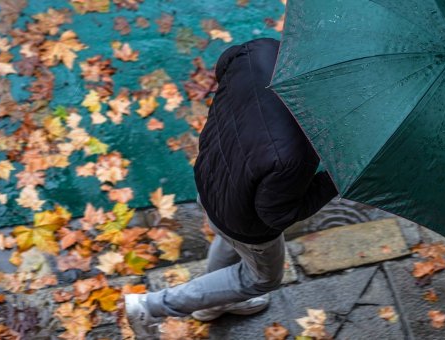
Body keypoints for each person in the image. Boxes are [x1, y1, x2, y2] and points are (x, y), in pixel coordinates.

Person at [123, 37, 338, 338]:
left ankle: (211, 305)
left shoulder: (262, 51)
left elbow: (225, 65)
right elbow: (275, 215)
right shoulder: (297, 153)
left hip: (211, 177)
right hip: (244, 222)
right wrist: (334, 180)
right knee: (261, 280)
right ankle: (152, 306)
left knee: (226, 243)